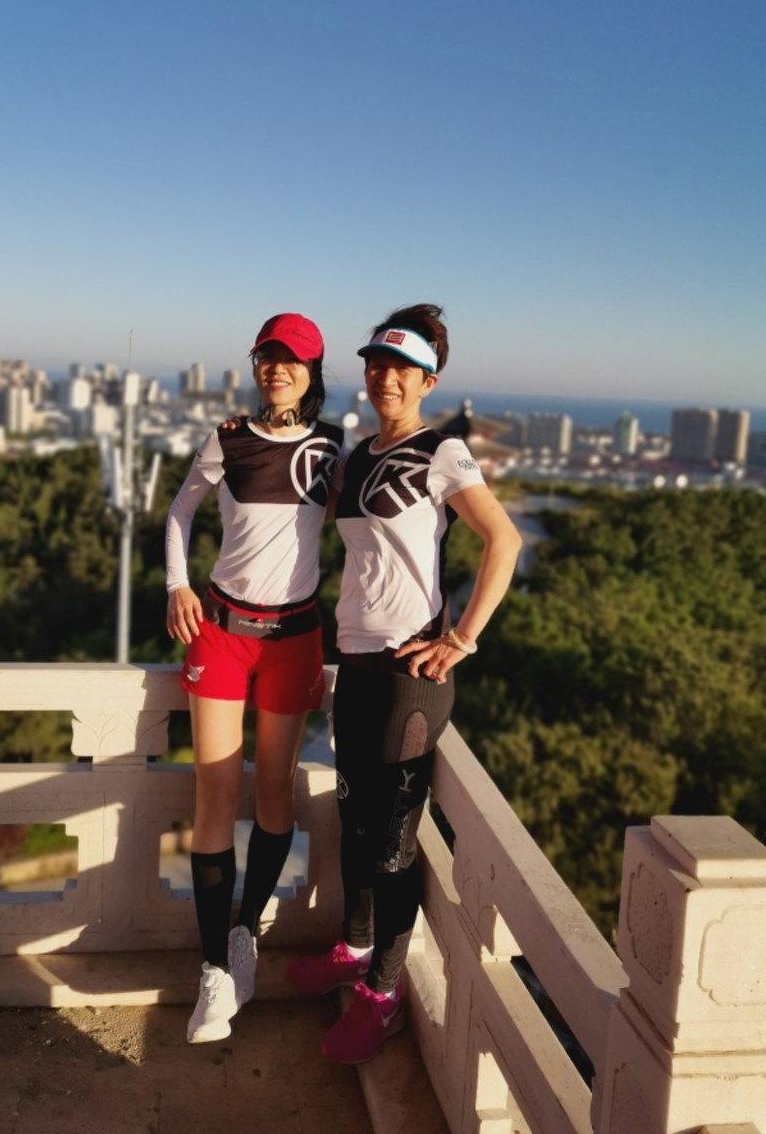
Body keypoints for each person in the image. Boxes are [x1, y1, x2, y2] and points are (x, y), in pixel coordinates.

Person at [287, 302, 522, 1064]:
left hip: (408, 680)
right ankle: (355, 951)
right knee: (354, 827)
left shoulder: (440, 451)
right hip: (354, 669)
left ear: (429, 381)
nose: (386, 378)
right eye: (377, 365)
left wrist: (462, 639)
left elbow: (504, 540)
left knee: (390, 845)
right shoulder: (356, 457)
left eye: (403, 369)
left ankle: (383, 996)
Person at [165, 313, 343, 1044]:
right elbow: (181, 510)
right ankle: (213, 968)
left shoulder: (333, 449)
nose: (277, 368)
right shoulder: (229, 438)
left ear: (312, 372)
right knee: (213, 790)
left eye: (291, 359)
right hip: (221, 630)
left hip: (294, 638)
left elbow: (371, 534)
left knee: (274, 792)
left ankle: (245, 932)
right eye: (267, 357)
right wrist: (176, 585)